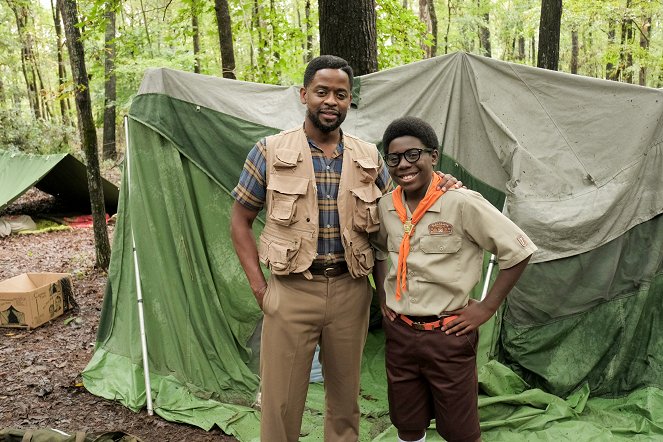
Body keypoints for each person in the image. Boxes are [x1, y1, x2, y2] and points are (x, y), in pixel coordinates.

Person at [230, 56, 461, 442]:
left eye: (341, 94)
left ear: (349, 101)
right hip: (290, 292)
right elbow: (239, 221)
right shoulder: (268, 151)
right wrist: (261, 290)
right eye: (321, 92)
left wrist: (442, 183)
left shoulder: (370, 157)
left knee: (344, 402)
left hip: (351, 292)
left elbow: (403, 205)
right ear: (304, 95)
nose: (330, 101)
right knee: (280, 404)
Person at [371, 116, 537, 442]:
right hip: (400, 333)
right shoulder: (385, 207)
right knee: (406, 419)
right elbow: (378, 250)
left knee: (459, 429)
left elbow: (519, 251)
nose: (404, 164)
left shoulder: (461, 202)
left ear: (433, 156)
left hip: (447, 334)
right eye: (394, 158)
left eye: (413, 154)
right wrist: (383, 299)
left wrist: (487, 307)